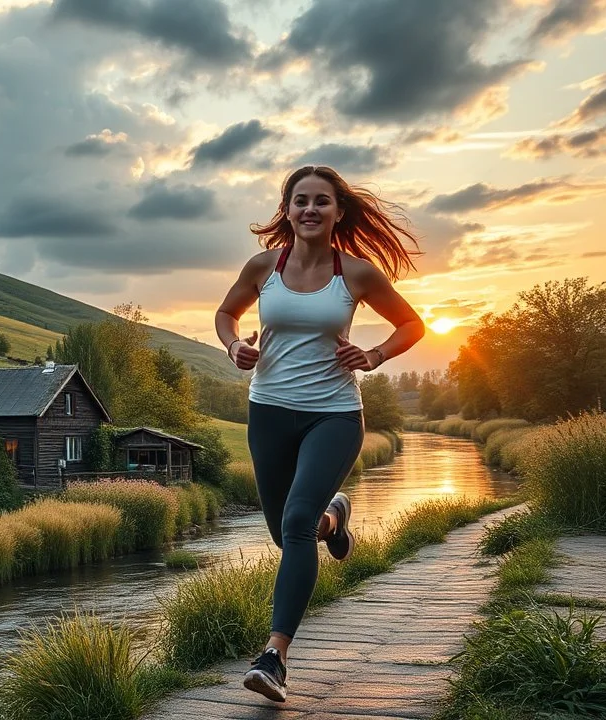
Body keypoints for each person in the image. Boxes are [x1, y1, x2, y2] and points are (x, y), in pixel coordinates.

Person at [214, 165, 425, 702]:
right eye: (300, 200)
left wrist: (374, 354)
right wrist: (235, 346)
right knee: (287, 534)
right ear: (286, 210)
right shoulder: (264, 265)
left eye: (321, 201)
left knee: (297, 521)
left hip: (332, 414)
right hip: (268, 412)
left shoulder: (355, 273)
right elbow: (226, 314)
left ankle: (274, 657)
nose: (310, 209)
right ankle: (339, 516)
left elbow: (412, 324)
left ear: (338, 211)